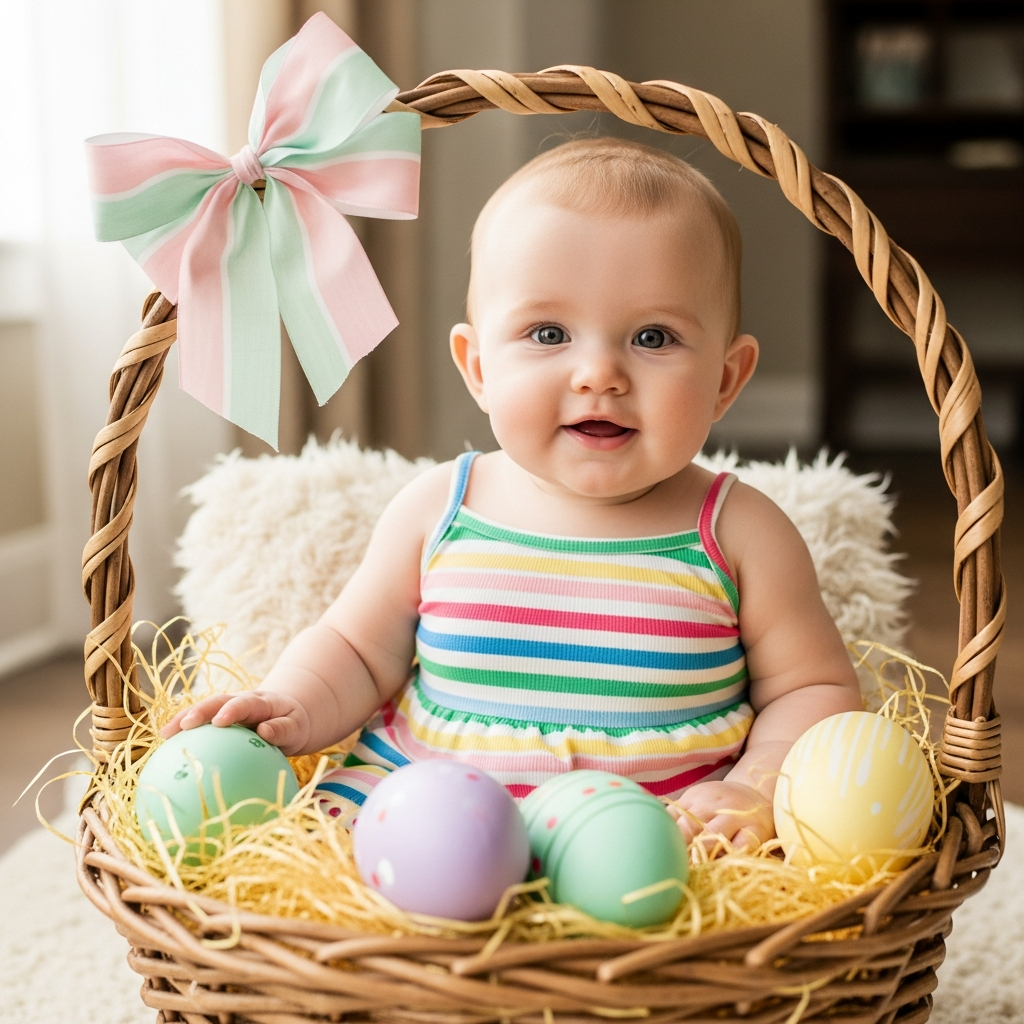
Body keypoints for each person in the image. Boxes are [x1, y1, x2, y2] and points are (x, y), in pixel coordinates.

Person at [164, 137, 861, 850]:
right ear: (478, 367)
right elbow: (355, 648)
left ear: (725, 378)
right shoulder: (440, 509)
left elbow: (811, 691)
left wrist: (754, 788)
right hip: (423, 827)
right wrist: (292, 704)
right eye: (548, 332)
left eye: (653, 336)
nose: (599, 373)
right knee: (306, 853)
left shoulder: (741, 531)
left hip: (658, 847)